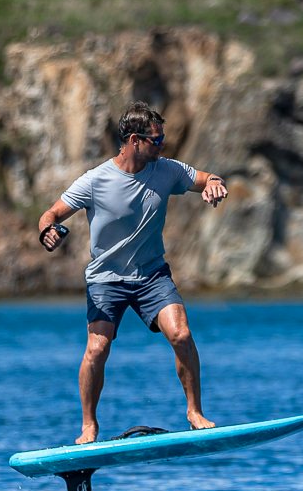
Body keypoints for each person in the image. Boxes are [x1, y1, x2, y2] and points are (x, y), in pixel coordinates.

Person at [36, 102, 230, 444]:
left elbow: (207, 178)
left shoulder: (168, 170)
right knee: (97, 348)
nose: (162, 145)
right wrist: (47, 231)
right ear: (135, 140)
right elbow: (50, 214)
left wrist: (215, 184)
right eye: (157, 140)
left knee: (181, 335)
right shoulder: (95, 181)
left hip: (152, 276)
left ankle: (195, 413)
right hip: (105, 280)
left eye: (163, 139)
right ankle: (88, 426)